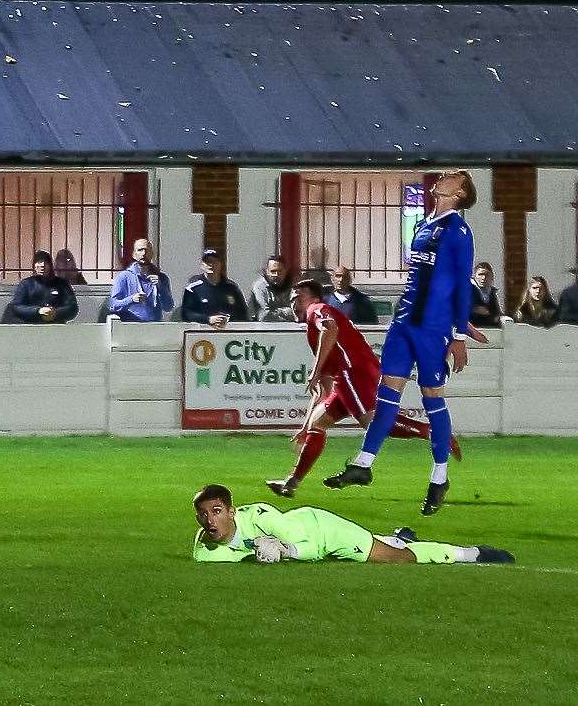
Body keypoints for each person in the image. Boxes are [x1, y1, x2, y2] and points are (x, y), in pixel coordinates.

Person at [325, 170, 477, 516]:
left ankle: (440, 478)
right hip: (404, 322)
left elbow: (460, 284)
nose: (444, 175)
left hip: (433, 329)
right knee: (387, 394)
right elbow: (424, 279)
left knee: (431, 397)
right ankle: (363, 464)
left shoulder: (458, 231)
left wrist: (459, 335)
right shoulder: (424, 224)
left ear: (460, 191)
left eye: (453, 176)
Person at [265, 280, 461, 498]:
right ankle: (291, 483)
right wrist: (303, 427)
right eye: (292, 299)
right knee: (317, 423)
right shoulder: (314, 327)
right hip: (349, 376)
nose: (295, 303)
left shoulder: (317, 309)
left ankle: (433, 432)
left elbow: (330, 328)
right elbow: (323, 390)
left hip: (352, 371)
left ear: (314, 299)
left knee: (373, 422)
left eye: (299, 298)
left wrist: (315, 369)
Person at [191, 484, 514, 565]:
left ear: (232, 511)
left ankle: (472, 553)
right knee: (388, 545)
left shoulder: (261, 517)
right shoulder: (203, 551)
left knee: (399, 560)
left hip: (323, 530)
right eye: (204, 515)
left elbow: (313, 549)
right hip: (309, 536)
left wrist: (285, 549)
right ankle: (397, 536)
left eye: (217, 511)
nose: (210, 520)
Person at [2, 250, 79, 323]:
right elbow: (17, 307)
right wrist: (38, 311)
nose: (42, 265)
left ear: (50, 265)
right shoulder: (26, 284)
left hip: (57, 326)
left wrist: (55, 312)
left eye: (45, 262)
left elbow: (72, 307)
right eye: (38, 262)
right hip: (30, 326)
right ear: (34, 266)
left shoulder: (62, 284)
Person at [108, 238, 173, 322]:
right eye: (140, 250)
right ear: (134, 254)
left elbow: (168, 307)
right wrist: (131, 299)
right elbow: (113, 305)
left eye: (147, 250)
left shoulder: (162, 278)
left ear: (152, 254)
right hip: (130, 326)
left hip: (155, 327)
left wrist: (161, 288)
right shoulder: (124, 277)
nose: (143, 253)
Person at [179, 248, 249, 326]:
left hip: (228, 333)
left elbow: (243, 313)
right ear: (202, 265)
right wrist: (208, 319)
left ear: (221, 264)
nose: (211, 265)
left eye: (214, 262)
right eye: (207, 262)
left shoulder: (232, 288)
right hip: (201, 334)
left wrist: (228, 319)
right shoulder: (193, 288)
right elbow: (186, 314)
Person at [248, 254, 294, 322]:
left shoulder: (292, 286)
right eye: (273, 271)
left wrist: (276, 312)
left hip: (291, 329)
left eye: (280, 271)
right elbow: (264, 316)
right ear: (266, 272)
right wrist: (286, 312)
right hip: (262, 329)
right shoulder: (260, 287)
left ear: (285, 271)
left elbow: (298, 313)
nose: (276, 275)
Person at [469, 261, 503, 327]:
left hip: (490, 329)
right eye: (480, 274)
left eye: (487, 275)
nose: (483, 278)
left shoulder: (492, 292)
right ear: (475, 276)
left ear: (491, 277)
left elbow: (496, 312)